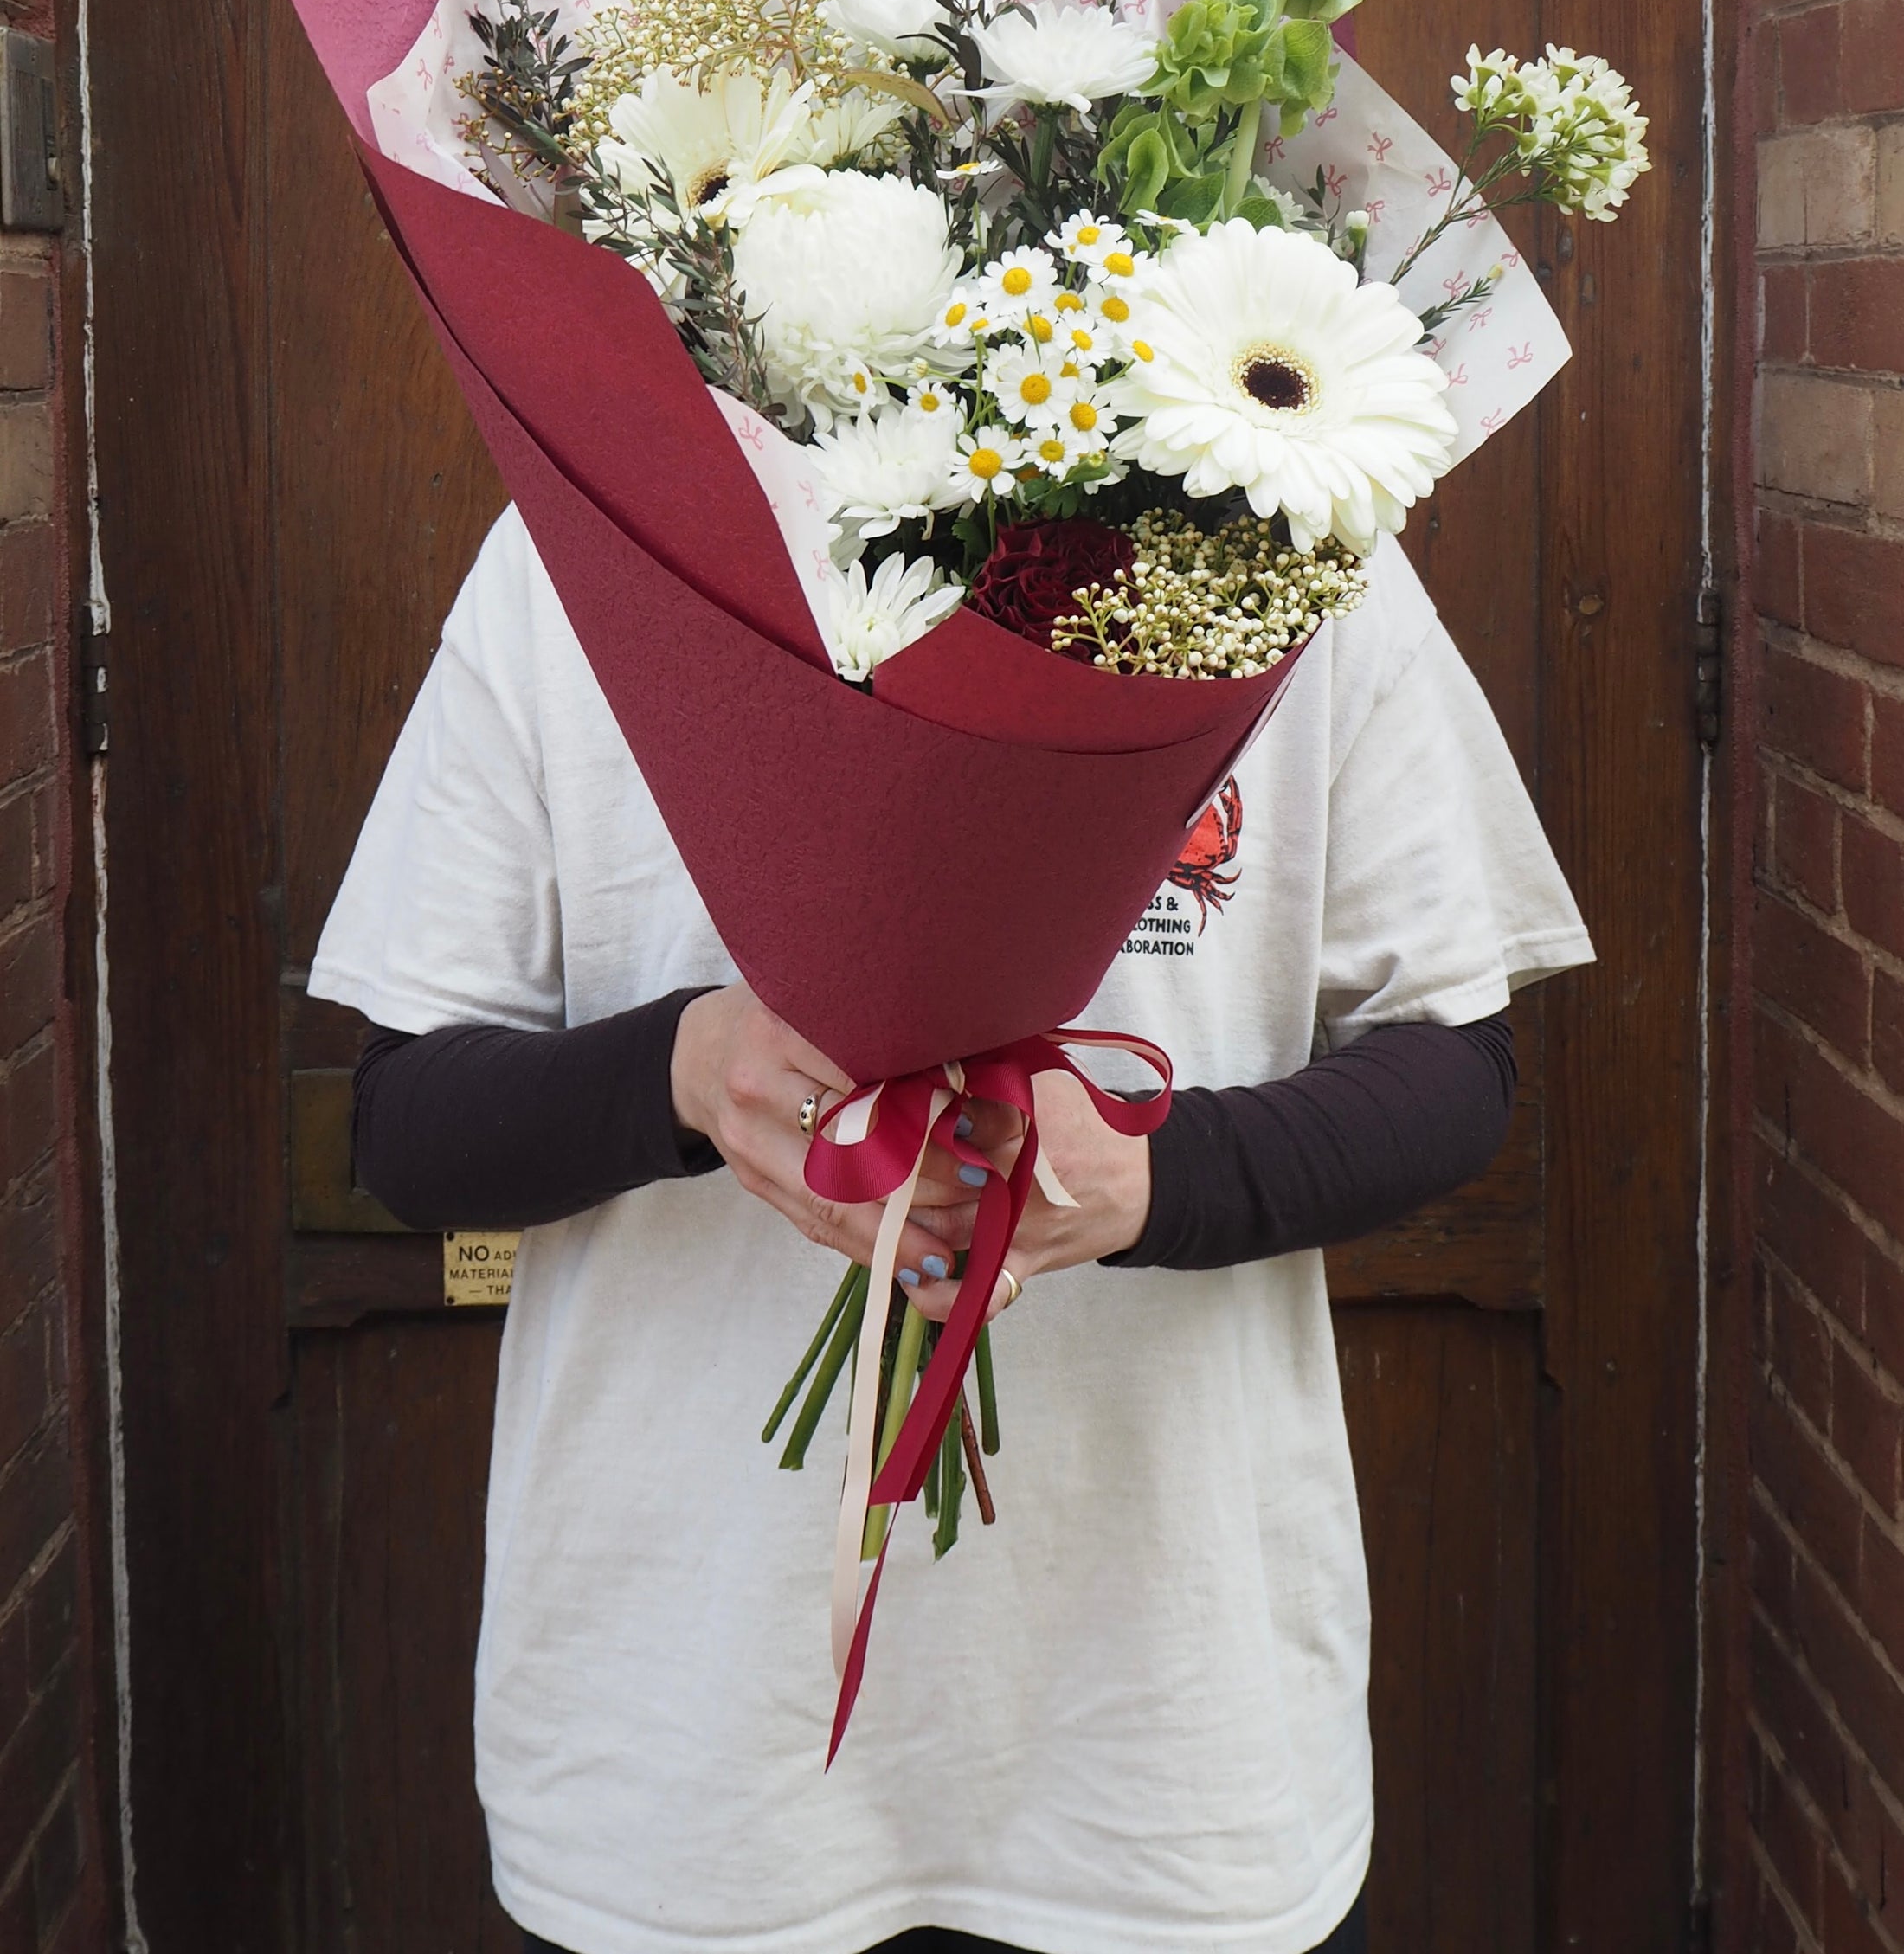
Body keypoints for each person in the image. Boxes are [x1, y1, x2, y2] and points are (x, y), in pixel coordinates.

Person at [309, 503, 1592, 1954]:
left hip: (1164, 1764)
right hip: (689, 1772)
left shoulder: (1283, 517)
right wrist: (683, 1076)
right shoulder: (589, 527)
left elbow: (1452, 1064)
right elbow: (407, 1123)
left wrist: (1155, 1180)